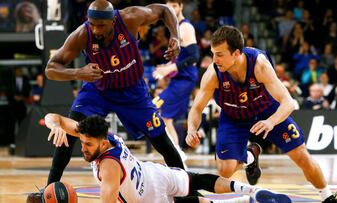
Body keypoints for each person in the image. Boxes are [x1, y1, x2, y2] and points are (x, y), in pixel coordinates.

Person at [28, 0, 185, 201]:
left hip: (132, 92)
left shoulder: (130, 17)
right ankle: (48, 191)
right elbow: (51, 68)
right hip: (98, 91)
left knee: (162, 140)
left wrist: (175, 37)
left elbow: (164, 10)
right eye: (92, 24)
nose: (95, 29)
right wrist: (78, 72)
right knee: (70, 135)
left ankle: (186, 190)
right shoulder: (83, 35)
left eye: (100, 25)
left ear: (112, 21)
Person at [186, 25, 337, 203]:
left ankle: (327, 197)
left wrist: (271, 122)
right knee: (225, 170)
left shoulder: (259, 65)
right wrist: (191, 129)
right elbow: (197, 107)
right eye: (213, 53)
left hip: (266, 110)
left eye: (220, 54)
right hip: (233, 116)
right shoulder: (213, 73)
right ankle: (251, 156)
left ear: (236, 53)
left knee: (301, 155)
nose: (215, 59)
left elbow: (289, 102)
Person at [44, 113, 292, 203]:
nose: (83, 148)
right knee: (197, 181)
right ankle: (250, 192)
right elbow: (54, 117)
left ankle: (242, 201)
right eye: (82, 142)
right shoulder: (100, 133)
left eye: (87, 145)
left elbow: (108, 200)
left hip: (150, 198)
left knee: (196, 196)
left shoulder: (108, 166)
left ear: (103, 142)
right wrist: (55, 125)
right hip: (154, 173)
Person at [152, 0, 200, 161]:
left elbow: (194, 56)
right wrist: (167, 65)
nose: (171, 9)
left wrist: (169, 69)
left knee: (155, 107)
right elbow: (182, 56)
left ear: (181, 7)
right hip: (179, 79)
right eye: (168, 6)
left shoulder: (186, 27)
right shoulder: (173, 28)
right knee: (165, 117)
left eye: (174, 6)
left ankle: (177, 152)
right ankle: (177, 152)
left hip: (185, 79)